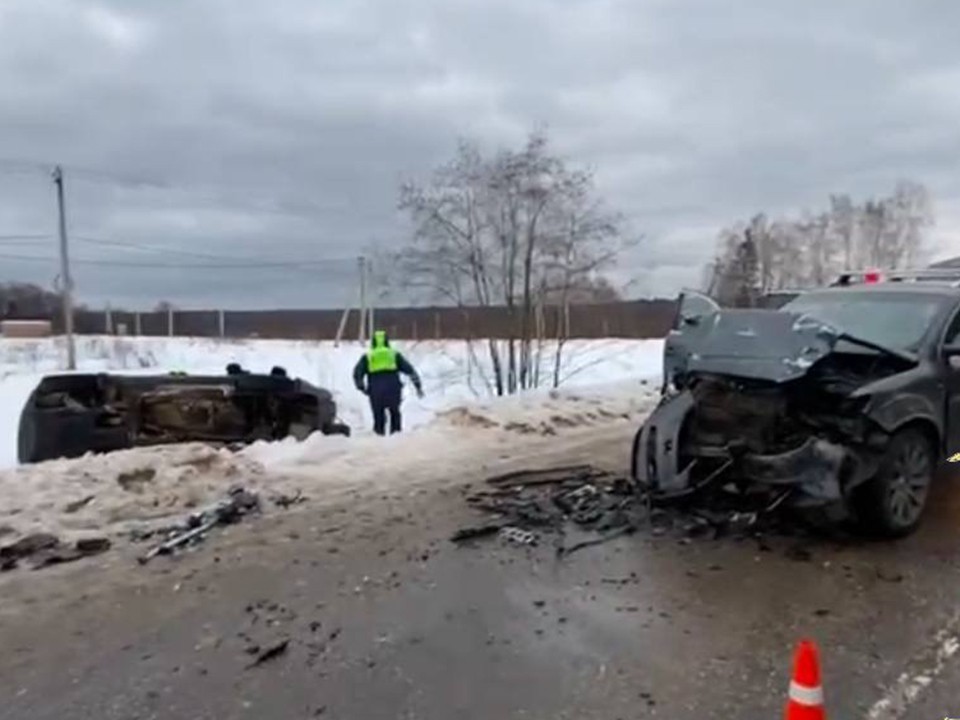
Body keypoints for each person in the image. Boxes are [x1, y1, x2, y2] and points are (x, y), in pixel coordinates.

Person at [353, 330, 423, 435]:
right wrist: (418, 386)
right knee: (395, 413)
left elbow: (357, 373)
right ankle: (396, 437)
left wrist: (362, 387)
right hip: (393, 388)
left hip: (375, 390)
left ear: (373, 342)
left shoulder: (368, 356)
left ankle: (379, 438)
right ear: (387, 341)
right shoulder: (394, 355)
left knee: (378, 416)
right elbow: (410, 370)